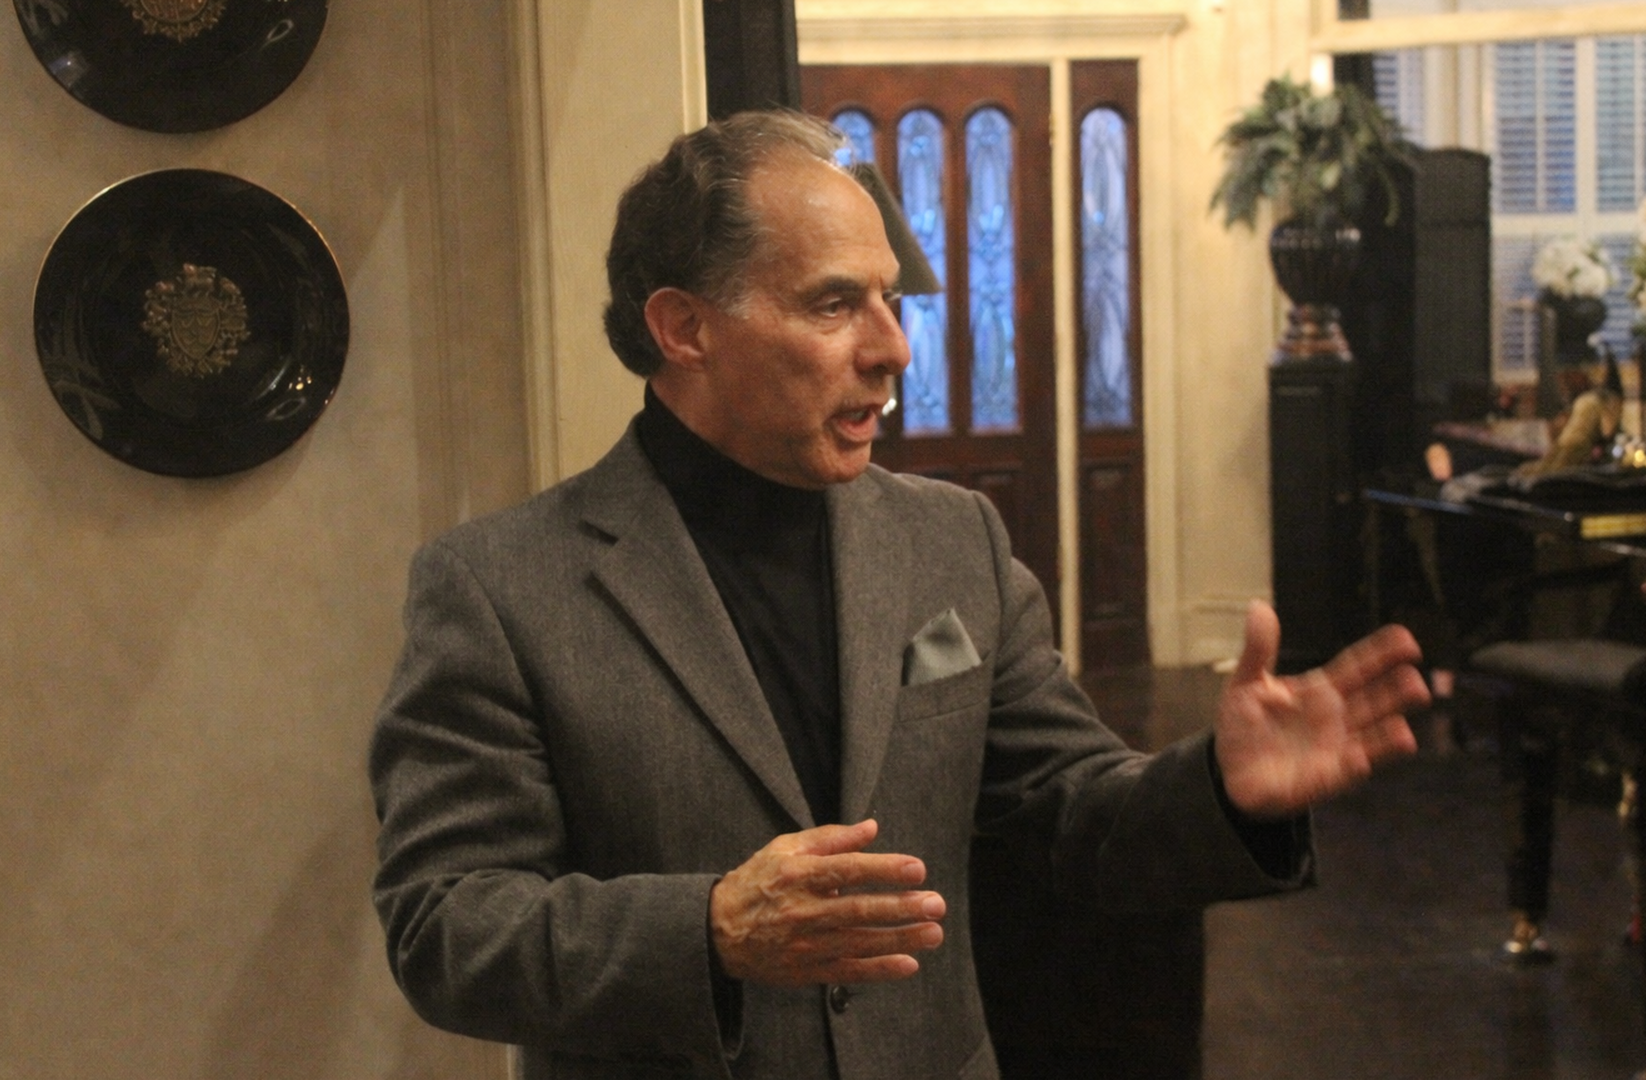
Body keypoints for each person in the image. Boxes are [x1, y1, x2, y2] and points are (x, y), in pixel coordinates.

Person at [368, 110, 1431, 1080]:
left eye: (891, 299)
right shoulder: (500, 587)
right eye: (835, 305)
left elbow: (1068, 811)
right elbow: (446, 927)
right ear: (685, 328)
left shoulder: (949, 540)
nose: (893, 349)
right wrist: (710, 930)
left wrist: (1222, 790)